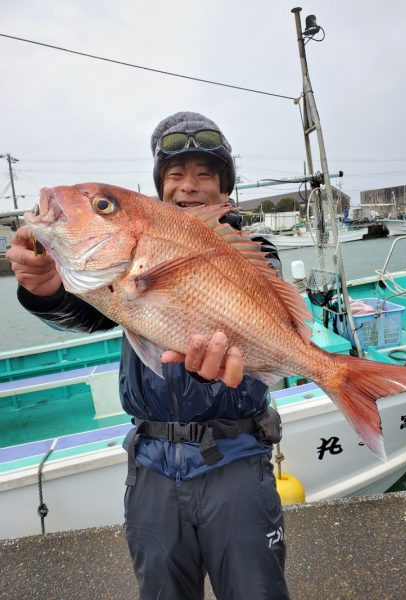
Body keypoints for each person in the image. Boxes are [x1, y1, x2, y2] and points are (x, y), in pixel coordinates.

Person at [6, 111, 290, 600]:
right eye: (175, 175)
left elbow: (262, 350)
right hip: (152, 466)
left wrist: (210, 376)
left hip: (236, 460)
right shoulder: (130, 258)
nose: (189, 186)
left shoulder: (254, 251)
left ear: (225, 190)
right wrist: (47, 289)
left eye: (205, 174)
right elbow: (88, 312)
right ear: (160, 187)